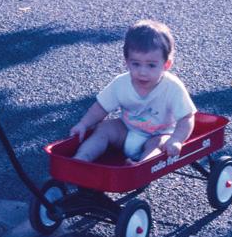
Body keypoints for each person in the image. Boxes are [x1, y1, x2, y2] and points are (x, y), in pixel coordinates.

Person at [69, 20, 196, 164]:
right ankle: (81, 159)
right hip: (127, 130)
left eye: (151, 65)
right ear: (127, 62)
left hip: (159, 134)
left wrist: (176, 139)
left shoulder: (172, 87)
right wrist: (84, 124)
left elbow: (186, 118)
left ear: (166, 65)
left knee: (160, 144)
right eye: (136, 64)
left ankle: (140, 167)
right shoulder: (121, 83)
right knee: (104, 128)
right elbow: (101, 107)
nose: (142, 72)